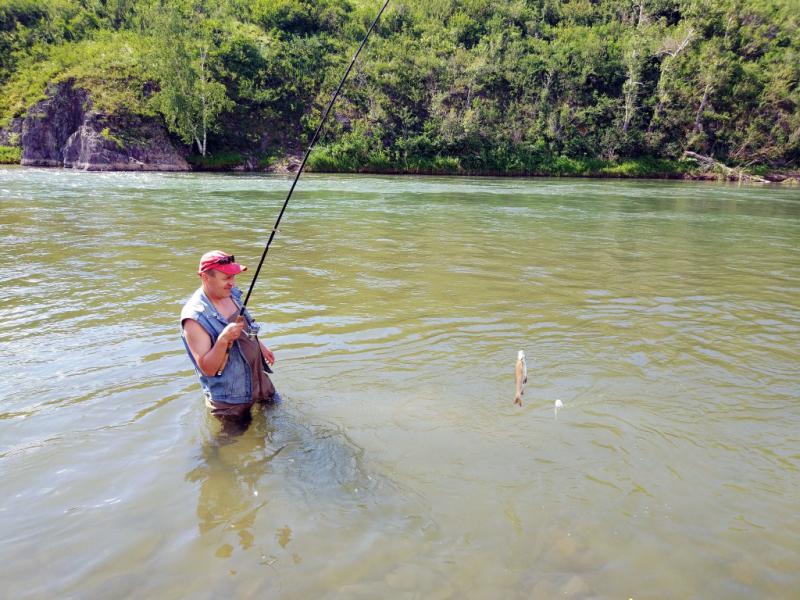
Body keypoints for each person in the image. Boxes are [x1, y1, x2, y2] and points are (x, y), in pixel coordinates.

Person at [181, 250, 276, 424]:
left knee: (276, 418)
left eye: (233, 277)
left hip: (259, 381)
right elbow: (208, 369)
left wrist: (259, 345)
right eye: (226, 278)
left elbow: (246, 323)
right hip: (231, 401)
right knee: (231, 445)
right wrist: (223, 339)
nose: (231, 283)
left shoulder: (231, 293)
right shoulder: (194, 319)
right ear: (205, 277)